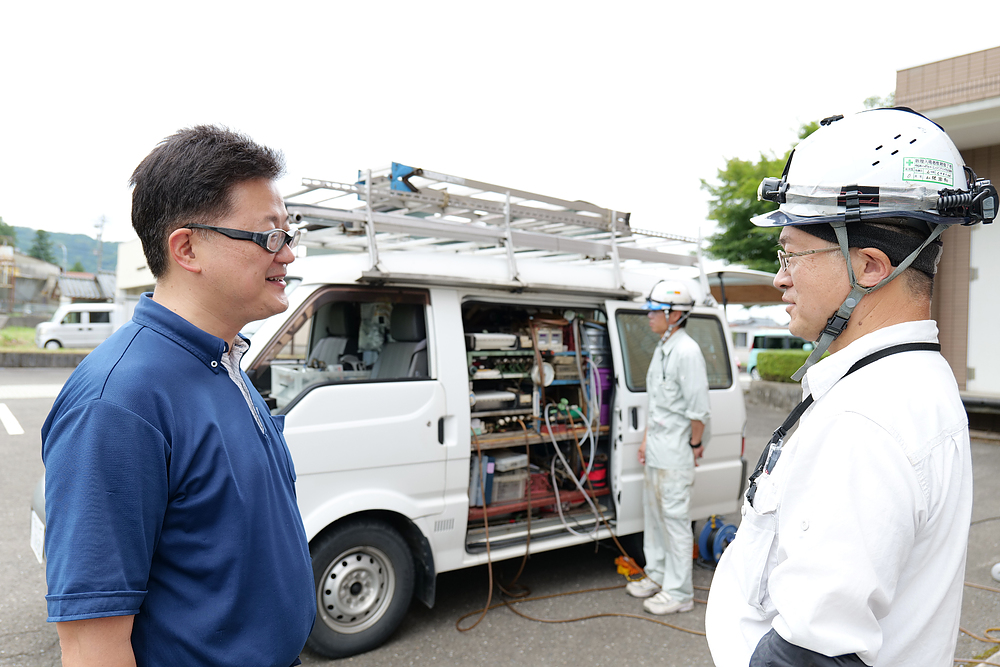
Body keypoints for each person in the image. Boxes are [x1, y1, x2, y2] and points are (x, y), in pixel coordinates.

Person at [706, 108, 997, 666]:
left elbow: (811, 655)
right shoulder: (908, 382)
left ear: (869, 266)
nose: (779, 277)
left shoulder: (864, 420)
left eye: (792, 252)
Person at [41, 126, 316, 667]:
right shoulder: (119, 400)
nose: (287, 254)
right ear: (187, 247)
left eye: (290, 233)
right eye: (268, 237)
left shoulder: (224, 359)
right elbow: (91, 642)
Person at [625, 280, 711, 615]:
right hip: (658, 450)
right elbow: (658, 402)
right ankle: (657, 574)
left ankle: (679, 593)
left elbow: (699, 410)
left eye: (654, 310)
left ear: (675, 314)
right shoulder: (664, 346)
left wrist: (695, 443)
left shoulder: (687, 352)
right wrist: (646, 440)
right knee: (655, 517)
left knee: (675, 521)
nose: (649, 316)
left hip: (675, 453)